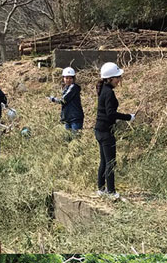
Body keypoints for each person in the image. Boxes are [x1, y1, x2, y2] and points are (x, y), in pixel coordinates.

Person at [93, 62, 134, 201]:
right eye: (117, 77)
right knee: (110, 162)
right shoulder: (109, 92)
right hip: (105, 132)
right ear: (109, 78)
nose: (119, 80)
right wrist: (128, 117)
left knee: (104, 161)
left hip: (99, 130)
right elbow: (111, 114)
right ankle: (110, 191)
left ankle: (101, 189)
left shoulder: (103, 88)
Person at [48, 67, 83, 134]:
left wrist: (53, 99)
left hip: (75, 118)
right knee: (67, 140)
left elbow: (63, 100)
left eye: (70, 78)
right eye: (66, 78)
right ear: (63, 78)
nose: (68, 80)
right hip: (67, 118)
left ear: (73, 78)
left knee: (75, 139)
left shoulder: (73, 87)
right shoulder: (66, 88)